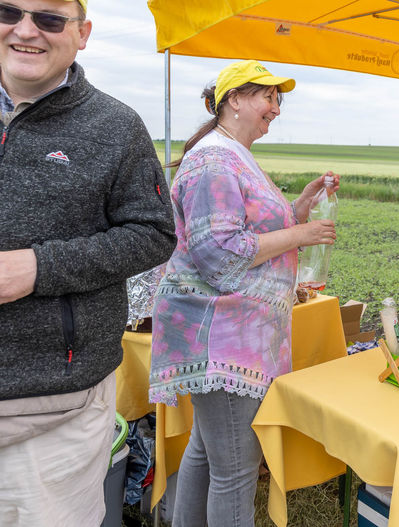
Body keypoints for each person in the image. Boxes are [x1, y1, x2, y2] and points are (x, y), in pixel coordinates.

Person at [0, 0, 177, 525]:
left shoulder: (115, 125)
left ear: (83, 34)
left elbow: (153, 233)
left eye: (50, 18)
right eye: (9, 11)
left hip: (53, 405)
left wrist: (39, 267)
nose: (27, 29)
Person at [148, 60, 339, 527]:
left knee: (206, 450)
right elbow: (221, 254)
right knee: (235, 470)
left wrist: (299, 207)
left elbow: (247, 231)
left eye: (279, 100)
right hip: (222, 336)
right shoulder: (214, 160)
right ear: (234, 99)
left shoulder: (232, 154)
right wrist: (303, 234)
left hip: (231, 335)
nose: (275, 109)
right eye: (267, 97)